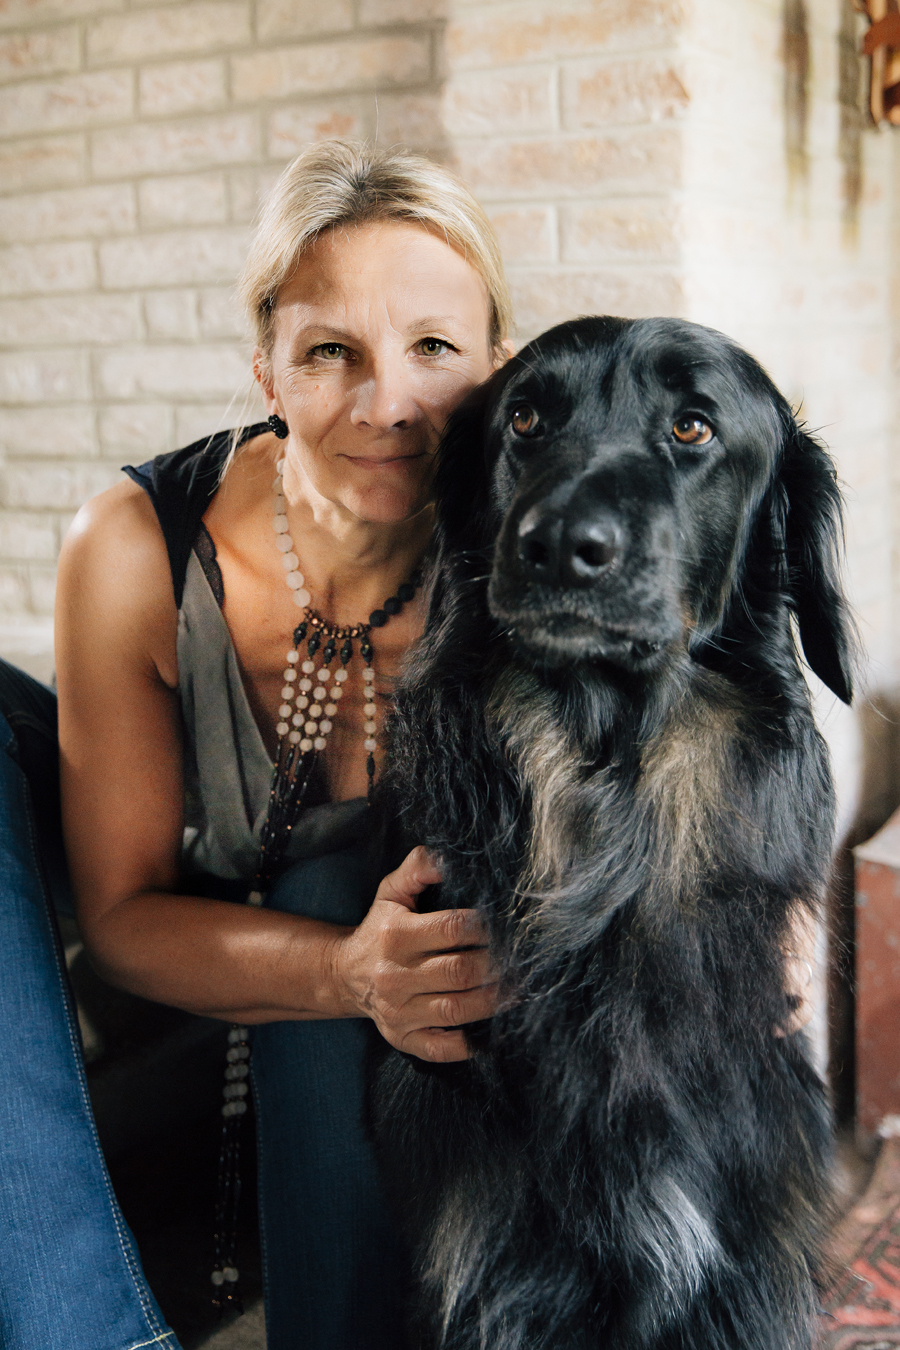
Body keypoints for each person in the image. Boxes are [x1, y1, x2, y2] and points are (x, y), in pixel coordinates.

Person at [0, 141, 818, 1350]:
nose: (388, 404)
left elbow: (747, 705)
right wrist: (345, 973)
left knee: (361, 878)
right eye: (331, 351)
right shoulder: (136, 541)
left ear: (497, 369)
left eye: (434, 349)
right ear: (266, 369)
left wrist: (769, 928)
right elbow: (118, 923)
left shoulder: (537, 547)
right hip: (171, 998)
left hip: (410, 1031)